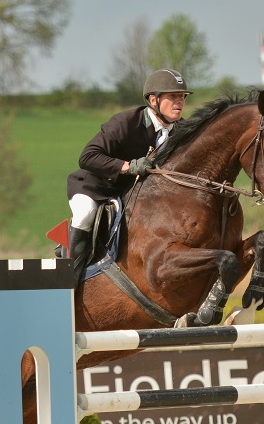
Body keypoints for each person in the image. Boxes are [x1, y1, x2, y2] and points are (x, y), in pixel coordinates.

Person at [65, 68, 191, 278]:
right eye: (173, 96)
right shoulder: (125, 122)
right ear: (153, 99)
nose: (179, 101)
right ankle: (69, 277)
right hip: (95, 188)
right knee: (86, 213)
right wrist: (128, 166)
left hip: (133, 194)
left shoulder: (182, 131)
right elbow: (87, 157)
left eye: (182, 96)